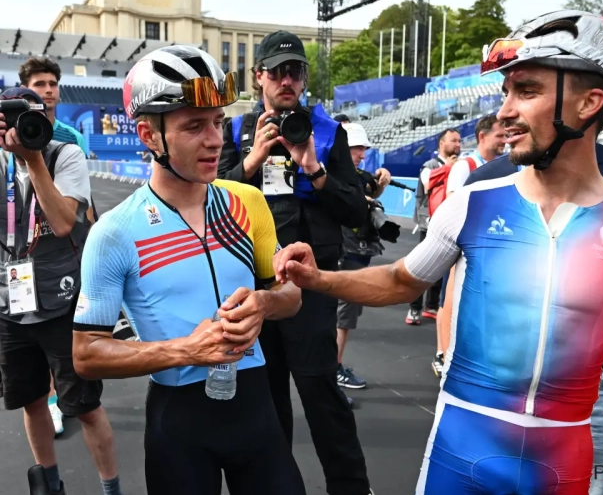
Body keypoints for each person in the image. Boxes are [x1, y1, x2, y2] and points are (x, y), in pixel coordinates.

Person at [273, 10, 603, 494]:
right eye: (506, 93)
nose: (504, 112)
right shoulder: (471, 204)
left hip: (564, 463)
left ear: (590, 102)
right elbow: (402, 281)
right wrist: (319, 279)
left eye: (526, 91)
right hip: (458, 457)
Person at [71, 45, 306, 495]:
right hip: (179, 424)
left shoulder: (247, 202)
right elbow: (86, 354)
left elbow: (290, 296)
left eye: (217, 121)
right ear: (148, 134)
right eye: (194, 126)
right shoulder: (115, 232)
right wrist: (185, 350)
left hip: (257, 409)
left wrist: (264, 302)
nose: (215, 139)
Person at [217, 31, 373, 495]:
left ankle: (351, 488)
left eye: (296, 72)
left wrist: (314, 169)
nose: (287, 80)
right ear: (258, 76)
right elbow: (210, 203)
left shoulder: (329, 132)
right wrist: (252, 161)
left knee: (323, 397)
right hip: (255, 287)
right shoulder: (235, 132)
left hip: (311, 287)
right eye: (277, 71)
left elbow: (358, 213)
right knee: (265, 404)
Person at [463, 140, 603, 494]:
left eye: (529, 90)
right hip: (500, 385)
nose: (509, 108)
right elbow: (458, 289)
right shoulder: (485, 183)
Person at [0, 87, 122, 495]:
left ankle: (111, 488)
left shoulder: (63, 154)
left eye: (32, 118)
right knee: (32, 400)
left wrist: (33, 159)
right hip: (10, 305)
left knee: (84, 407)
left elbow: (63, 220)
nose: (23, 127)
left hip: (61, 300)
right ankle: (48, 485)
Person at [20, 57, 100, 432]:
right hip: (24, 252)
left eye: (53, 83)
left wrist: (94, 234)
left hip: (67, 245)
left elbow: (84, 197)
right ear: (25, 90)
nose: (48, 90)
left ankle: (63, 397)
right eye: (40, 84)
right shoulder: (9, 140)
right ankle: (52, 398)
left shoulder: (70, 138)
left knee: (64, 333)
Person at [433, 114, 507, 377]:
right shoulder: (465, 166)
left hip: (489, 247)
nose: (505, 141)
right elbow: (453, 208)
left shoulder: (503, 165)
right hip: (463, 246)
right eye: (500, 135)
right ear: (482, 136)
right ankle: (442, 354)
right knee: (449, 299)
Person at [336, 122, 392, 389]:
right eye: (358, 148)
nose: (362, 154)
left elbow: (369, 193)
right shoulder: (337, 175)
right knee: (343, 313)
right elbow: (354, 201)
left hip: (356, 249)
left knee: (345, 313)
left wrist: (379, 187)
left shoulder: (355, 175)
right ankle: (334, 370)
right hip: (348, 249)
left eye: (363, 149)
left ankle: (333, 368)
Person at [407, 128, 461, 328]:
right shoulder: (429, 165)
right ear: (441, 143)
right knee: (421, 266)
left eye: (459, 141)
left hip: (449, 223)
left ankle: (431, 305)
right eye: (453, 140)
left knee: (442, 266)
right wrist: (447, 168)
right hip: (428, 222)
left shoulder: (461, 166)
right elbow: (427, 182)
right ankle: (414, 307)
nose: (458, 144)